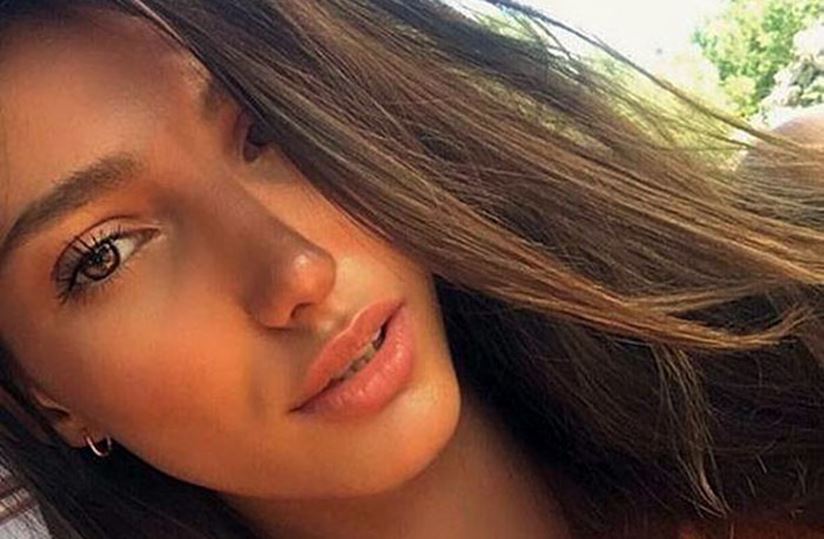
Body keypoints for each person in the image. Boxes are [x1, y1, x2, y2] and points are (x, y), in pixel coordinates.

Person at [0, 1, 821, 538]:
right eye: (104, 254)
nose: (296, 270)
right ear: (43, 398)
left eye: (263, 130)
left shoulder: (792, 298)